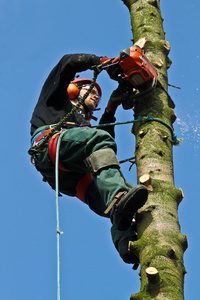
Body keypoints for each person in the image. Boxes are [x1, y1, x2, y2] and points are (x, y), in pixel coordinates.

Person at [29, 53, 148, 267]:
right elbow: (67, 61)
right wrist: (103, 62)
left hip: (72, 178)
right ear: (73, 89)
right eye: (91, 90)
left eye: (98, 95)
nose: (95, 95)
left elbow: (104, 147)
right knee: (115, 185)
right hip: (51, 148)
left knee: (131, 194)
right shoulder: (56, 100)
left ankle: (127, 242)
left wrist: (111, 107)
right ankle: (118, 200)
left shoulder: (84, 128)